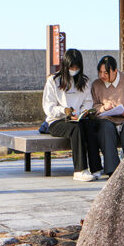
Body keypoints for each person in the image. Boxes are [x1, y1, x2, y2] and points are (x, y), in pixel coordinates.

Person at [42, 48, 102, 182]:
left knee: (89, 126)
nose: (74, 69)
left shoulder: (84, 82)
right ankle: (80, 170)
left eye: (77, 67)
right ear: (65, 66)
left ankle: (96, 167)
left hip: (78, 118)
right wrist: (65, 111)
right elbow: (49, 108)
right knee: (76, 129)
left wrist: (82, 112)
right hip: (57, 121)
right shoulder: (53, 81)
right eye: (71, 67)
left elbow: (87, 101)